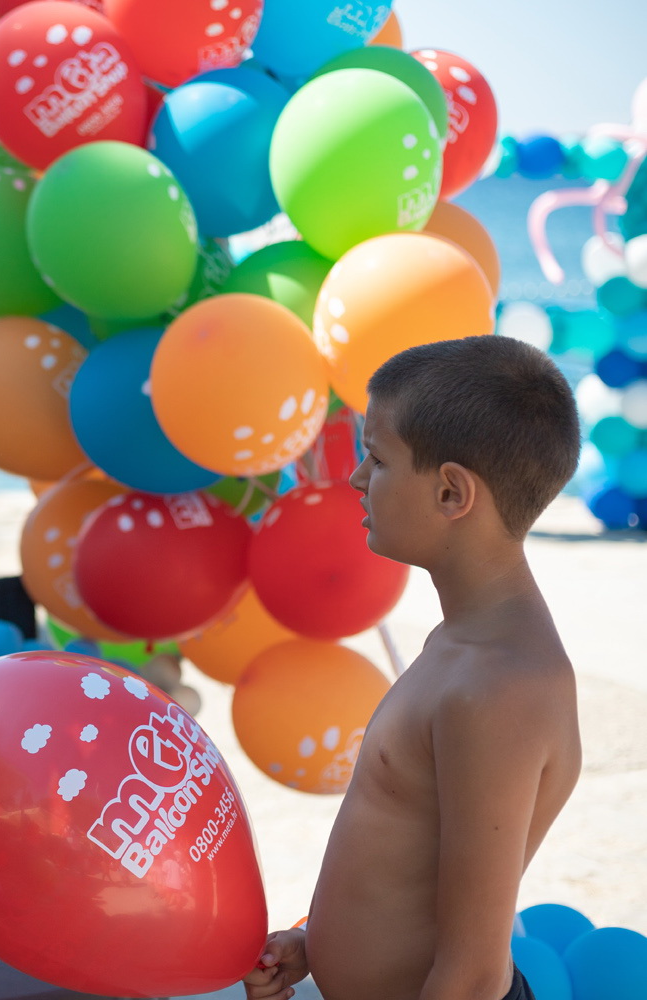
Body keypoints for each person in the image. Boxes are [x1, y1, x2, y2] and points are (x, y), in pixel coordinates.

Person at [244, 335, 582, 1000]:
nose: (356, 477)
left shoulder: (499, 687)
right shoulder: (464, 640)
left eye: (377, 456)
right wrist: (317, 943)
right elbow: (411, 860)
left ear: (453, 491)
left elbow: (474, 974)